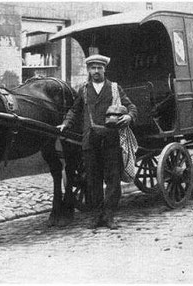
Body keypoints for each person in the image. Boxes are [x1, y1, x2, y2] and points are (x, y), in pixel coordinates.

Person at [58, 54, 138, 229]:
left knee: (112, 180)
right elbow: (74, 110)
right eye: (92, 68)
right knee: (93, 181)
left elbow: (131, 107)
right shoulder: (84, 90)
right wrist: (66, 123)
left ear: (104, 69)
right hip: (90, 141)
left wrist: (128, 116)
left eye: (99, 68)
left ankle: (109, 216)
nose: (96, 71)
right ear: (88, 70)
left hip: (111, 139)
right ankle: (97, 216)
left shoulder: (115, 88)